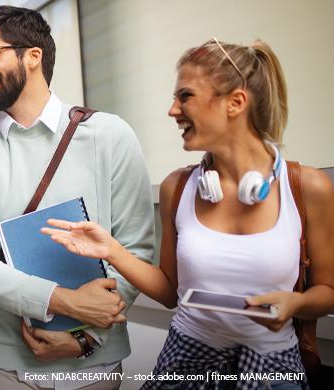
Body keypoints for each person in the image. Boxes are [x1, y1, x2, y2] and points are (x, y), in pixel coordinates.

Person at [43, 38, 334, 389]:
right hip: (185, 362)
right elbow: (170, 293)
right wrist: (111, 251)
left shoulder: (308, 187)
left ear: (235, 102)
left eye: (185, 96)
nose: (173, 110)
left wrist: (297, 303)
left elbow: (328, 290)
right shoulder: (177, 187)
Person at [0, 6, 154, 389]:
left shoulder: (111, 135)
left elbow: (135, 251)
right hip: (6, 364)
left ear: (33, 55)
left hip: (97, 366)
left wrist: (87, 337)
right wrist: (65, 302)